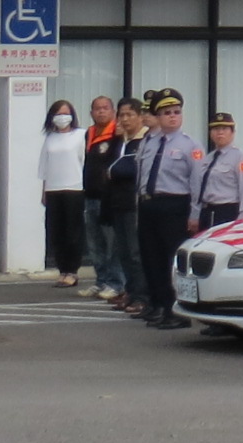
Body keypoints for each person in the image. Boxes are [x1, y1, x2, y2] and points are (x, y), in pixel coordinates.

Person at [133, 91, 201, 328]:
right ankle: (160, 305)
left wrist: (194, 214)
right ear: (158, 117)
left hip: (174, 205)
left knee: (172, 260)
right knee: (152, 258)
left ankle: (178, 312)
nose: (172, 117)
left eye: (176, 112)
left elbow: (196, 183)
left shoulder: (190, 145)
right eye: (166, 113)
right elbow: (141, 177)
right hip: (149, 204)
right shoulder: (149, 142)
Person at [85, 97, 140, 307]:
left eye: (105, 108)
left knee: (118, 246)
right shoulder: (89, 133)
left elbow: (123, 167)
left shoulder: (120, 137)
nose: (101, 112)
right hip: (95, 195)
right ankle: (102, 280)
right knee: (96, 244)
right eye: (96, 108)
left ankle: (118, 284)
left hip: (120, 199)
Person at [38, 98, 87, 286]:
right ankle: (62, 269)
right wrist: (43, 190)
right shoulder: (49, 138)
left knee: (73, 232)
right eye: (58, 114)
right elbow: (44, 166)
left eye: (65, 113)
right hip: (53, 189)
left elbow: (84, 162)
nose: (62, 117)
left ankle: (72, 271)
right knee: (56, 232)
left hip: (74, 188)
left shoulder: (81, 135)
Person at [189, 112, 243, 233]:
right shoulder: (208, 158)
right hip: (208, 211)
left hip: (228, 211)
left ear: (232, 132)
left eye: (224, 129)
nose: (220, 132)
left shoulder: (241, 157)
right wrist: (195, 214)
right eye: (215, 129)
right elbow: (199, 188)